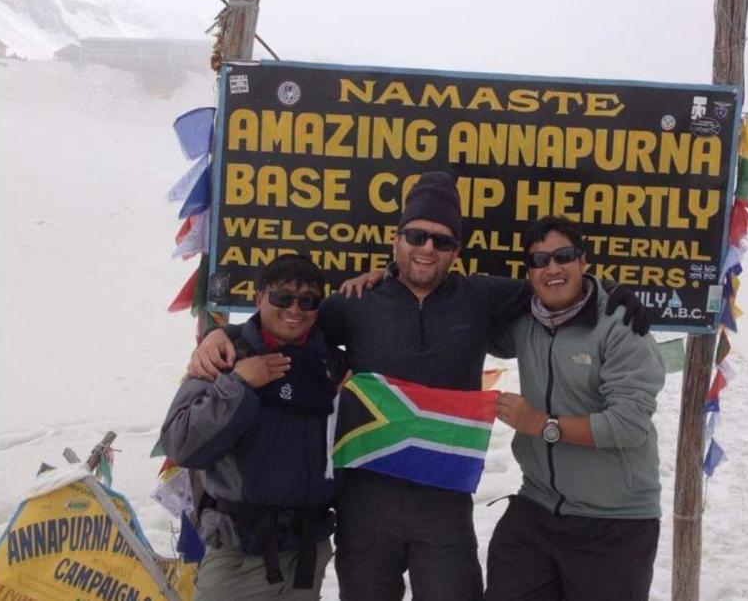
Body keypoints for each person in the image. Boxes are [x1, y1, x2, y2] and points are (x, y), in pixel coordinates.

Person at [190, 172, 648, 601]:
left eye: (442, 240)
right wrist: (222, 336)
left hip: (443, 507)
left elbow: (558, 286)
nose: (427, 248)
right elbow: (286, 324)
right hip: (367, 504)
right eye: (416, 236)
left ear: (456, 250)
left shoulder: (481, 296)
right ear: (397, 240)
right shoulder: (356, 301)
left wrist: (612, 293)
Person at [484, 215, 666, 601]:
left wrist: (540, 424)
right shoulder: (525, 321)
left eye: (563, 256)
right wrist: (388, 279)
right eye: (539, 261)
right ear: (528, 274)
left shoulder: (620, 323)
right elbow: (455, 312)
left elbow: (628, 424)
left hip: (613, 522)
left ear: (583, 261)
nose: (552, 268)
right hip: (537, 510)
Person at [160, 255, 345, 600]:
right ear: (259, 297)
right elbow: (180, 443)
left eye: (308, 300)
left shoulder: (333, 364)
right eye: (282, 297)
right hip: (238, 556)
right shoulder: (224, 356)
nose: (295, 309)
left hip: (306, 557)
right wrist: (239, 384)